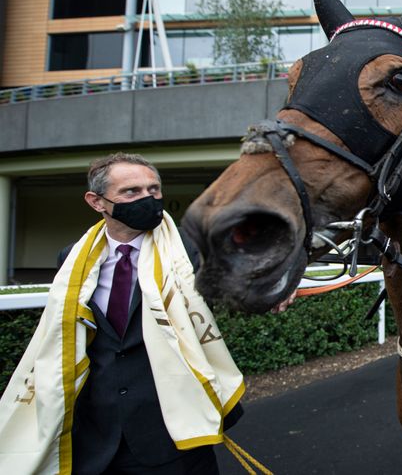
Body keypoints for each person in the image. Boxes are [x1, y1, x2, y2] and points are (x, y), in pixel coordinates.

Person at [0, 153, 245, 474]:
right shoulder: (72, 259)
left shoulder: (193, 250)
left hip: (173, 432)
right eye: (132, 191)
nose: (148, 198)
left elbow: (239, 282)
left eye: (153, 189)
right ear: (96, 202)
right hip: (95, 438)